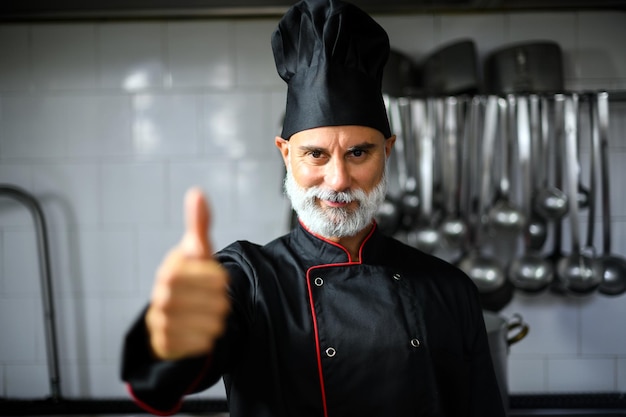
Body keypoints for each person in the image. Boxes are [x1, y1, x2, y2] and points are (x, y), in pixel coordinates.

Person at [120, 0, 506, 416]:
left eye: (358, 153)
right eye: (316, 155)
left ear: (387, 152)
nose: (338, 179)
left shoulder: (449, 289)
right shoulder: (249, 282)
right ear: (286, 155)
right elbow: (170, 373)